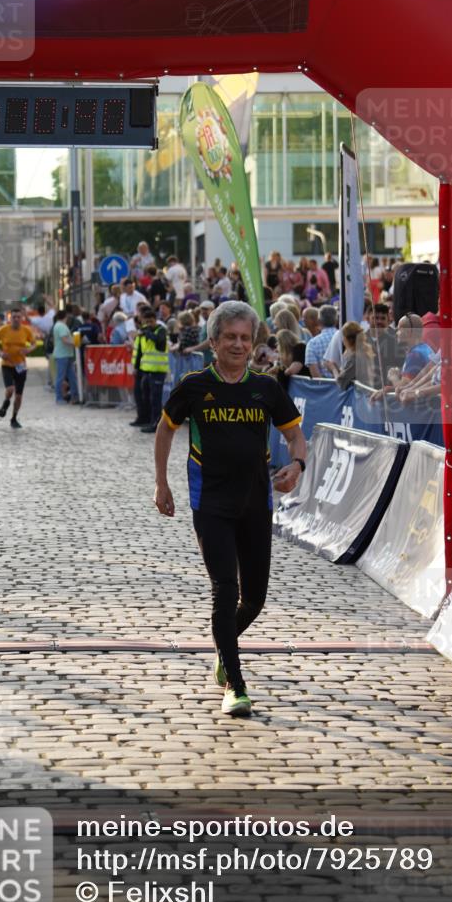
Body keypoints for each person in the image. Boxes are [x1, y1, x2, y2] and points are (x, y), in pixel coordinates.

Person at [153, 301, 307, 717]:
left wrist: (297, 465)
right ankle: (235, 686)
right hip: (211, 502)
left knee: (254, 599)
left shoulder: (266, 388)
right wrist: (161, 482)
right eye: (230, 338)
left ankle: (224, 648)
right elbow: (165, 429)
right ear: (213, 342)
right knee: (225, 588)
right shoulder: (194, 385)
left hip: (256, 502)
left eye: (245, 338)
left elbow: (295, 436)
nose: (238, 345)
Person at [0, 307, 36, 427]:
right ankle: (6, 402)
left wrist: (28, 350)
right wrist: (0, 353)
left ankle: (14, 418)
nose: (16, 319)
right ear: (10, 318)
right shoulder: (4, 330)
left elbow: (34, 344)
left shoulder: (26, 330)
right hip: (7, 365)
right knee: (10, 389)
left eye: (18, 317)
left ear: (21, 318)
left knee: (19, 396)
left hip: (21, 366)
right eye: (14, 317)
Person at [138, 307, 169, 434]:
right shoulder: (146, 331)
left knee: (156, 400)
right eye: (146, 322)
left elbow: (159, 341)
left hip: (158, 371)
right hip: (147, 370)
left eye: (151, 321)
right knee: (147, 398)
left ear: (155, 320)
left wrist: (147, 333)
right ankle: (150, 421)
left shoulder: (161, 330)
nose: (149, 324)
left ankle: (157, 424)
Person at [51, 309, 79, 406]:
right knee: (62, 377)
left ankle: (74, 395)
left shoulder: (57, 325)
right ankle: (59, 398)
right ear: (65, 317)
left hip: (64, 354)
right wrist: (75, 343)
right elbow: (64, 339)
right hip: (63, 355)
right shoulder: (61, 326)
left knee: (71, 376)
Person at [335, 321, 374, 390]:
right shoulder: (365, 351)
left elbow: (341, 382)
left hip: (360, 394)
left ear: (348, 339)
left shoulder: (355, 357)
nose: (342, 340)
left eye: (343, 337)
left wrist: (333, 369)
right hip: (367, 391)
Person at [305, 305, 338, 378]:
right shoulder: (345, 337)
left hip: (325, 384)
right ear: (336, 321)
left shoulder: (312, 343)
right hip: (346, 384)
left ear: (319, 321)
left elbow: (316, 376)